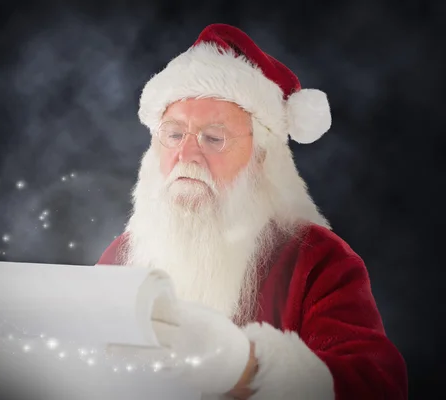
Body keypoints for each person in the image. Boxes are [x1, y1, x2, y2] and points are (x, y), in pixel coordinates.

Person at [97, 23, 407, 399]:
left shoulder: (320, 261)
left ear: (261, 159)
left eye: (214, 138)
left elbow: (377, 385)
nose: (187, 154)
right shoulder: (122, 256)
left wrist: (250, 370)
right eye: (174, 134)